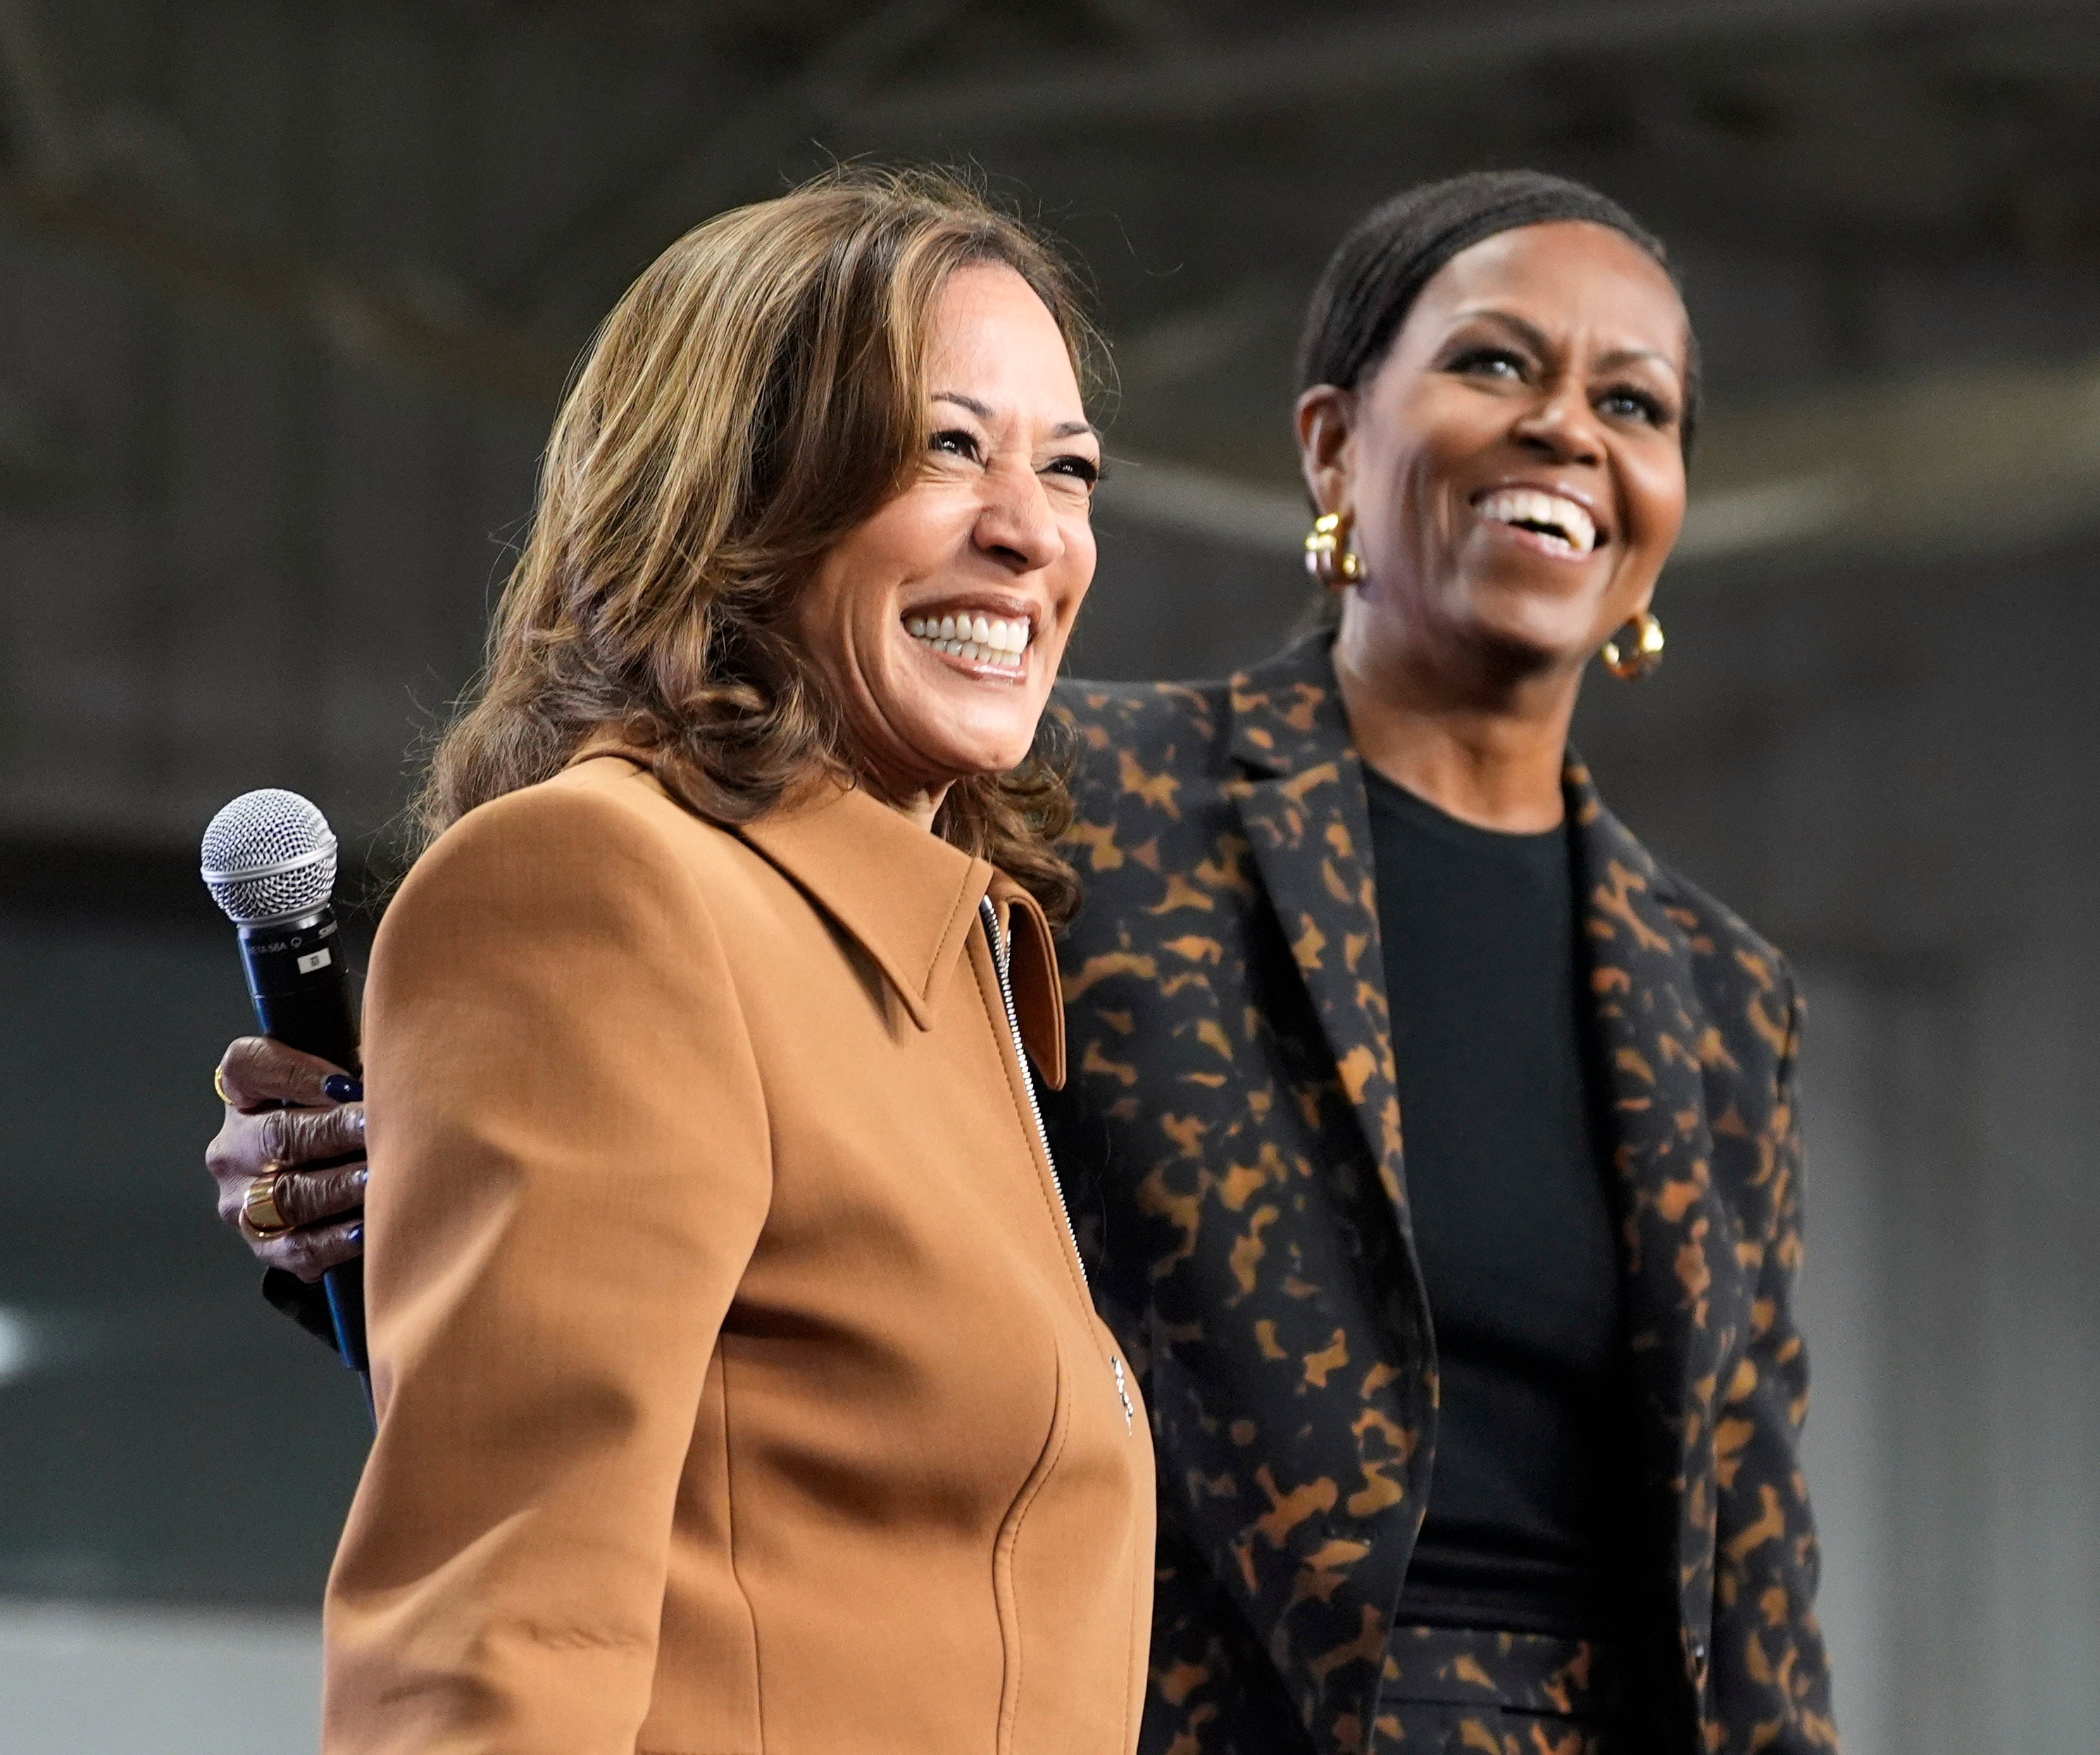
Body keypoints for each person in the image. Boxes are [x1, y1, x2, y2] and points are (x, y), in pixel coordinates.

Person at [211, 170, 1831, 1755]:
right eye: (1493, 361)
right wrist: (384, 1158)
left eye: (1641, 401)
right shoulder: (1074, 816)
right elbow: (611, 1053)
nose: (1571, 428)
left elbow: (1747, 1557)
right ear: (1332, 443)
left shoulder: (1711, 991)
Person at [216, 167, 1157, 1752]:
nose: (1028, 533)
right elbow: (498, 1631)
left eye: (1067, 473)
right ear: (734, 487)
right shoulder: (599, 885)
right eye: (945, 446)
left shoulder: (939, 972)